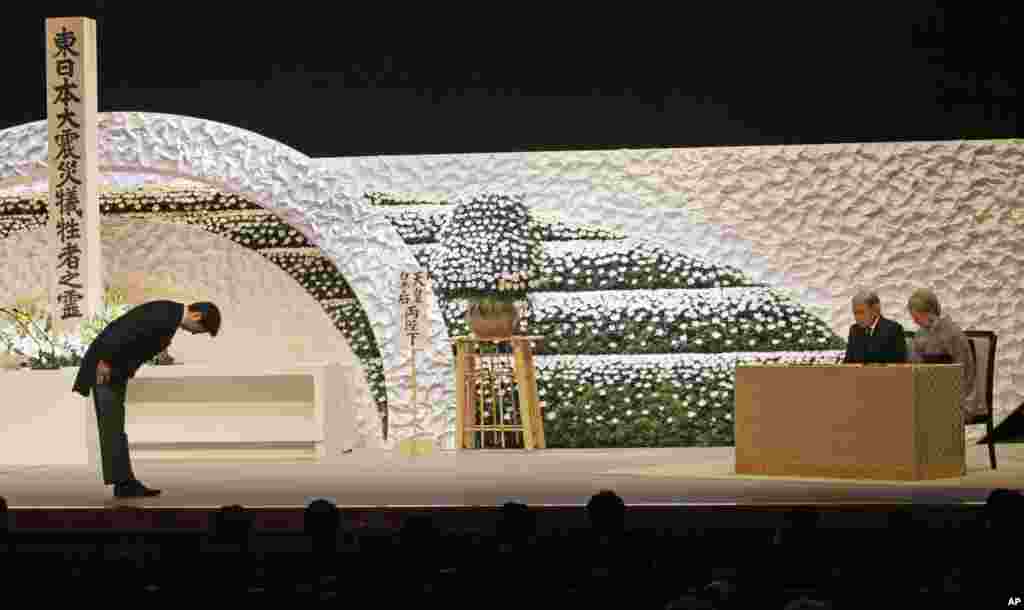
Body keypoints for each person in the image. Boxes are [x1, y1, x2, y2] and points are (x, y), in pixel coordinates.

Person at [72, 300, 221, 498]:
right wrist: (105, 361)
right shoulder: (166, 314)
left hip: (113, 369)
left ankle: (124, 482)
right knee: (111, 426)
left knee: (114, 426)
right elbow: (122, 332)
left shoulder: (169, 315)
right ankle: (124, 483)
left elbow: (141, 337)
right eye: (199, 330)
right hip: (105, 368)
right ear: (196, 316)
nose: (194, 334)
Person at [905, 289, 978, 419]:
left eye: (916, 317)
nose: (915, 322)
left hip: (956, 399)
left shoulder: (953, 333)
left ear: (929, 312)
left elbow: (966, 373)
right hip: (932, 394)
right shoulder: (920, 334)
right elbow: (916, 368)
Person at [842, 290, 908, 364]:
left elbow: (898, 364)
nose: (857, 317)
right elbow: (848, 362)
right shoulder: (854, 330)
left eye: (861, 312)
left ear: (875, 310)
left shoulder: (893, 330)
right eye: (855, 313)